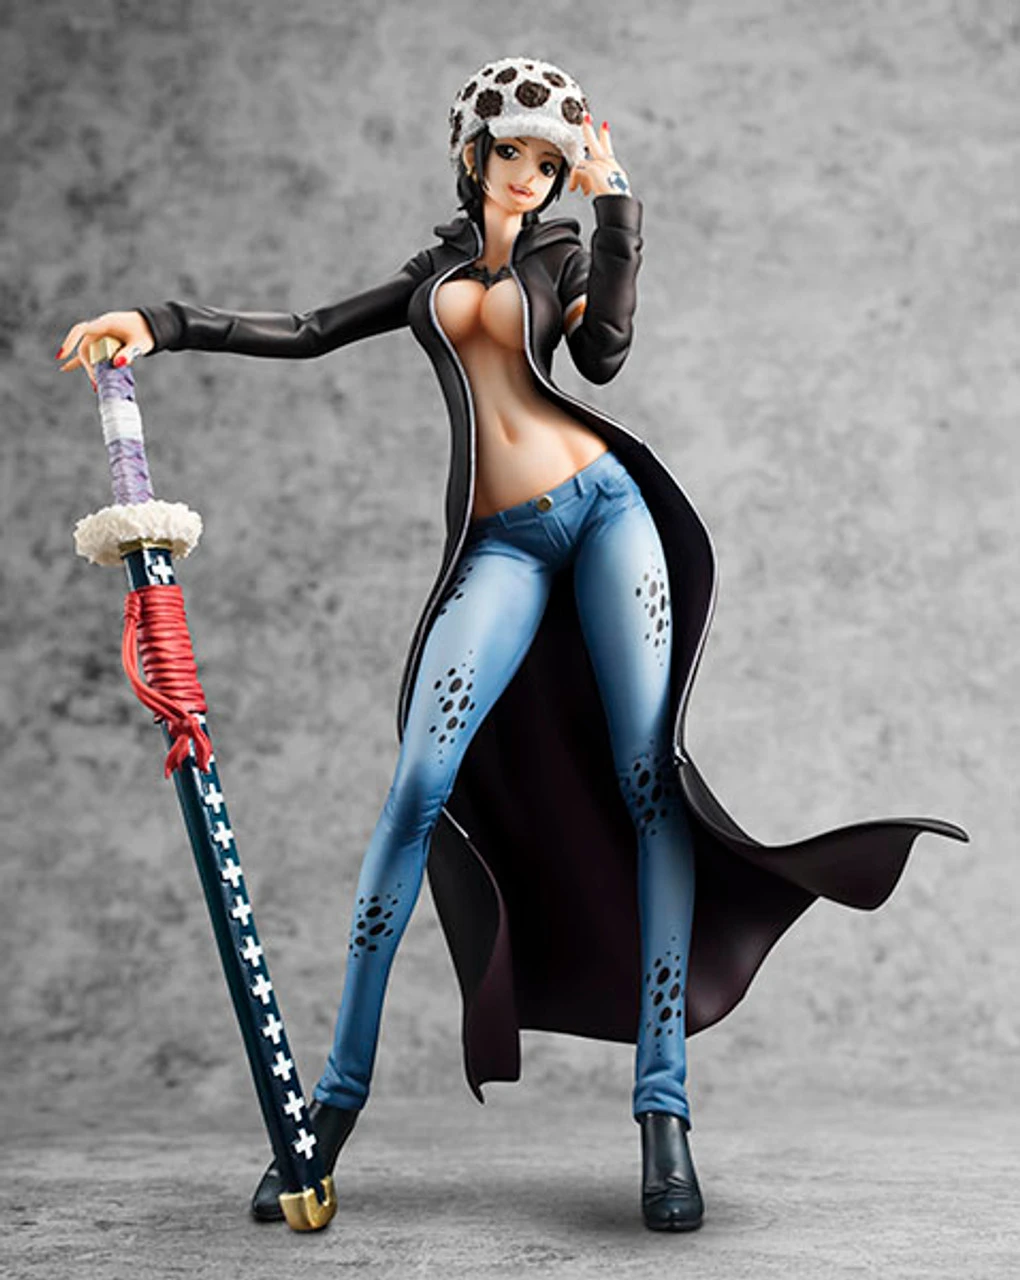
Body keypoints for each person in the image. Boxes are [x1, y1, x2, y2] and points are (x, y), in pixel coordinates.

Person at [57, 55, 966, 1234]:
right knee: (417, 789)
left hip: (608, 516)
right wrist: (163, 325)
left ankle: (663, 1108)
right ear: (473, 153)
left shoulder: (564, 257)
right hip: (502, 546)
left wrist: (616, 204)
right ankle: (327, 1108)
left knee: (649, 782)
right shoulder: (433, 276)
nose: (532, 176)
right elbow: (310, 330)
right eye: (515, 154)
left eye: (550, 161)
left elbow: (606, 355)